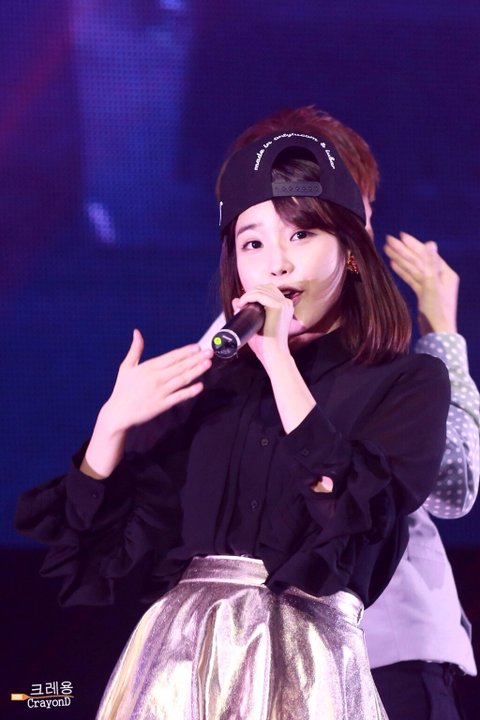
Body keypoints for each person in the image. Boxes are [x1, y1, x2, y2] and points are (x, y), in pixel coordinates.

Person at [16, 113, 451, 719]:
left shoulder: (406, 382)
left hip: (306, 670)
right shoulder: (211, 390)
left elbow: (353, 512)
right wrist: (111, 428)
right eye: (253, 243)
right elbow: (105, 558)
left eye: (301, 235)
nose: (276, 263)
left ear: (351, 251)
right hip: (180, 667)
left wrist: (279, 362)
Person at [200, 107, 479, 720]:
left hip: (391, 641)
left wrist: (441, 329)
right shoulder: (232, 344)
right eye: (262, 232)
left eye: (307, 225)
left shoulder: (387, 349)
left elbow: (452, 489)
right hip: (260, 651)